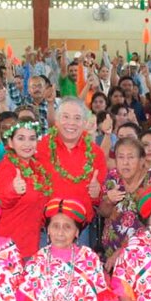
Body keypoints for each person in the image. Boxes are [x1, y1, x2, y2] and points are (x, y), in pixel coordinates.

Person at [34, 98, 108, 234]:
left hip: (80, 229)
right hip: (45, 228)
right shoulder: (39, 149)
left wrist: (97, 192)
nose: (71, 123)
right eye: (65, 117)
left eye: (77, 118)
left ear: (84, 123)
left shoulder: (96, 153)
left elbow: (100, 196)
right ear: (56, 121)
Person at [0, 120, 51, 259]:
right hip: (8, 248)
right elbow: (1, 199)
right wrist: (13, 190)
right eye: (21, 138)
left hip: (31, 244)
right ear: (11, 143)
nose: (27, 144)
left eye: (32, 138)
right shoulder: (6, 166)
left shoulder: (37, 168)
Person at [99, 137, 151, 270]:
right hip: (109, 256)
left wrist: (124, 249)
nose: (125, 162)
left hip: (142, 255)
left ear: (142, 160)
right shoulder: (113, 177)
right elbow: (103, 212)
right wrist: (108, 201)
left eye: (131, 157)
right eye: (121, 157)